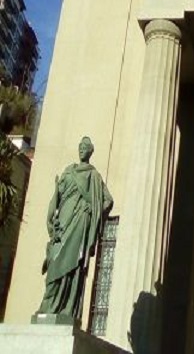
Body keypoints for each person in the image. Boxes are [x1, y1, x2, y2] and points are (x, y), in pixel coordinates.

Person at [37, 136, 113, 320]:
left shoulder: (94, 176)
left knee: (73, 267)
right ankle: (49, 306)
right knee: (54, 261)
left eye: (85, 147)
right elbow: (57, 197)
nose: (82, 149)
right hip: (63, 224)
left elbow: (108, 200)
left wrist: (91, 210)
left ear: (90, 151)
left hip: (79, 224)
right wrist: (50, 221)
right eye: (80, 146)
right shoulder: (68, 172)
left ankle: (66, 309)